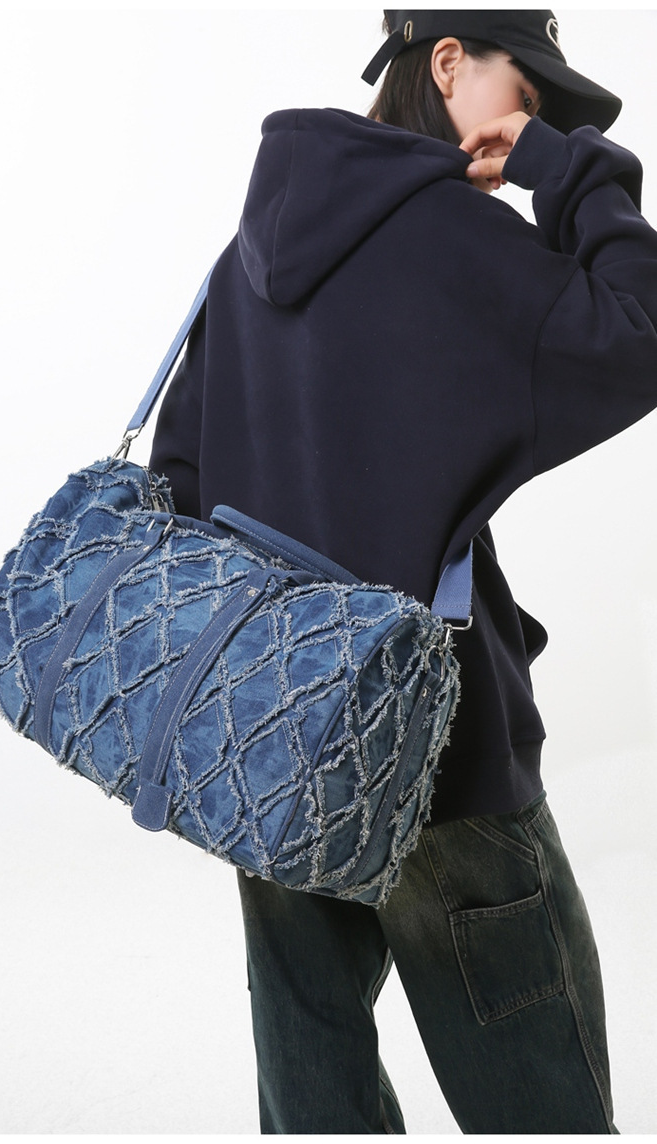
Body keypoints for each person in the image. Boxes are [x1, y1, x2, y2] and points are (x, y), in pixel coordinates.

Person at [149, 10, 657, 1134]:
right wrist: (566, 168)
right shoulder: (452, 238)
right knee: (542, 1108)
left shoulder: (249, 252)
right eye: (527, 93)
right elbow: (640, 329)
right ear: (448, 62)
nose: (528, 121)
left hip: (271, 746)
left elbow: (178, 478)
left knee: (316, 1098)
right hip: (441, 752)